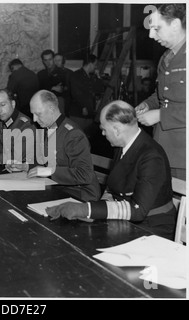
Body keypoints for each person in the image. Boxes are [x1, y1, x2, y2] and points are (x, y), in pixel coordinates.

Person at [47, 100, 176, 240]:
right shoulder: (123, 146)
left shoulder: (151, 156)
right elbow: (113, 188)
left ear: (116, 130)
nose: (102, 133)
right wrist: (93, 211)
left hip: (152, 228)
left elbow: (138, 211)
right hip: (127, 222)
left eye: (104, 129)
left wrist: (86, 209)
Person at [136, 4, 186, 181]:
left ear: (175, 25)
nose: (151, 35)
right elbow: (161, 96)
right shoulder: (166, 57)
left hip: (183, 155)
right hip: (161, 147)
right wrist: (147, 105)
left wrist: (160, 116)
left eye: (157, 29)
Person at [24, 90, 100, 202]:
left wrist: (50, 172)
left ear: (51, 108)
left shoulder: (73, 134)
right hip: (58, 187)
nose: (34, 119)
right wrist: (27, 166)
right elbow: (47, 163)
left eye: (38, 114)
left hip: (80, 194)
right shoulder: (48, 128)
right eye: (32, 114)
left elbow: (85, 174)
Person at [0, 89, 36, 168]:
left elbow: (14, 158)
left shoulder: (25, 126)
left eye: (2, 105)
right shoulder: (3, 122)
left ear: (13, 103)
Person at [69, 54, 104, 135]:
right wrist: (83, 107)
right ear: (90, 64)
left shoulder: (91, 77)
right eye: (95, 64)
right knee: (77, 136)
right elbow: (75, 93)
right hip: (78, 114)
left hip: (89, 114)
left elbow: (100, 89)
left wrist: (98, 77)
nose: (95, 67)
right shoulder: (76, 75)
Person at [37, 49, 67, 114]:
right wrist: (52, 88)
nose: (48, 62)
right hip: (45, 105)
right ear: (43, 61)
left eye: (50, 59)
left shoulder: (62, 72)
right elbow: (39, 90)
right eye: (45, 60)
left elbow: (63, 89)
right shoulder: (41, 74)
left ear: (54, 59)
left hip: (58, 105)